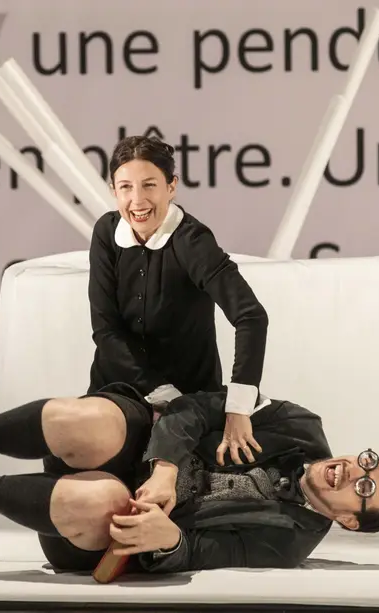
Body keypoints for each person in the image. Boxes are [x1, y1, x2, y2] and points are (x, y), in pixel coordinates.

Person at [0, 384, 379, 573]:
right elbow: (197, 408)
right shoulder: (301, 425)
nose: (353, 471)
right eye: (368, 462)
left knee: (109, 502)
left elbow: (202, 554)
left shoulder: (288, 544)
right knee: (90, 418)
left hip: (93, 529)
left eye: (364, 488)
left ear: (349, 521)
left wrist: (170, 539)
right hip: (138, 445)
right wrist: (166, 466)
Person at [88, 135, 269, 465]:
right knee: (69, 459)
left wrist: (239, 407)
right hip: (116, 390)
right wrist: (161, 392)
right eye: (126, 187)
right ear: (113, 190)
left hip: (189, 403)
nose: (137, 200)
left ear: (171, 186)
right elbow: (106, 331)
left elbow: (251, 316)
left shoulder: (193, 241)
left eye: (149, 185)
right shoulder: (106, 232)